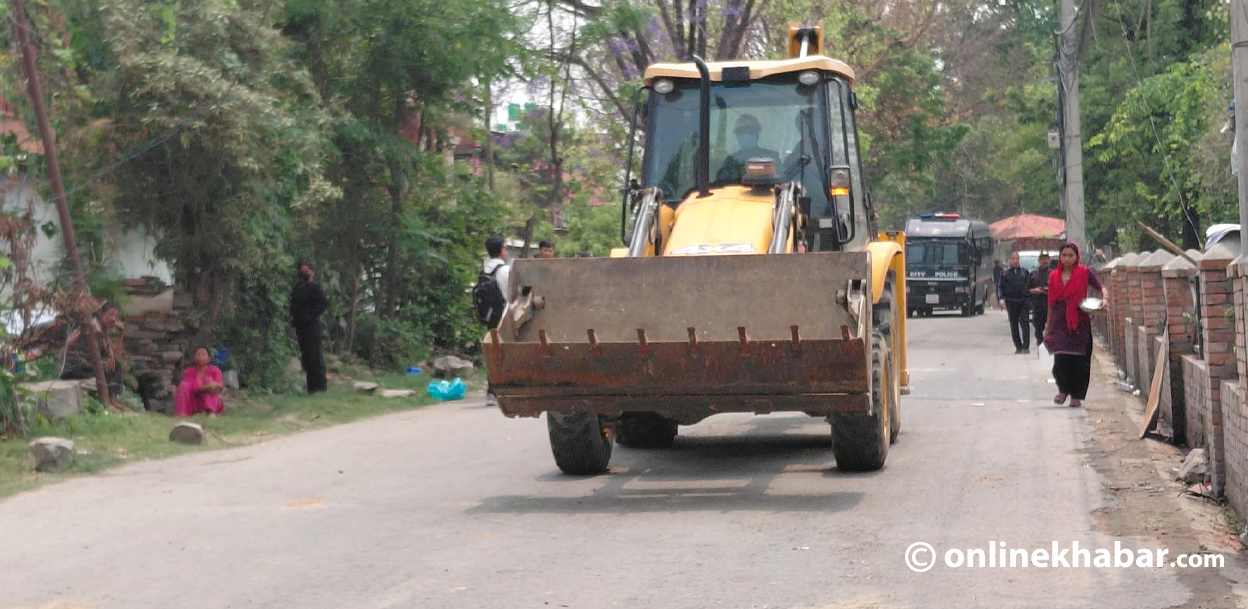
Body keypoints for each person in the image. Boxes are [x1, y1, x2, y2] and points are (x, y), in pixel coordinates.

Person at [1045, 243, 1109, 408]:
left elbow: (1101, 287)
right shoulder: (1053, 276)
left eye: (1070, 255)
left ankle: (1076, 396)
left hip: (1079, 320)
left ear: (1076, 257)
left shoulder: (1084, 272)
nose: (1067, 259)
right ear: (1060, 257)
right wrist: (1048, 324)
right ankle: (1063, 390)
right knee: (1060, 357)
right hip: (1060, 320)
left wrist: (1105, 300)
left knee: (1080, 359)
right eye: (1064, 255)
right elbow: (1051, 302)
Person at [290, 260, 330, 394]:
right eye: (301, 271)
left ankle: (320, 388)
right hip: (300, 327)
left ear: (312, 272)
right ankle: (311, 388)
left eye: (306, 271)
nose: (303, 274)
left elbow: (324, 303)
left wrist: (310, 314)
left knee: (315, 357)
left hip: (312, 326)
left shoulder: (315, 287)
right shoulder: (297, 287)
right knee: (306, 357)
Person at [482, 237, 511, 408]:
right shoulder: (504, 270)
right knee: (506, 352)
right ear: (501, 251)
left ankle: (491, 391)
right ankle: (504, 389)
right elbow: (512, 296)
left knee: (493, 351)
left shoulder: (485, 269)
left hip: (490, 317)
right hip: (504, 316)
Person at [716, 114, 781, 182]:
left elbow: (781, 181)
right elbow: (721, 182)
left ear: (757, 135)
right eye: (742, 132)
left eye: (750, 131)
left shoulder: (772, 158)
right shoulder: (731, 161)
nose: (746, 135)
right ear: (737, 136)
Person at [175, 347, 224, 417]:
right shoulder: (189, 371)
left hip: (212, 401)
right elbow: (192, 388)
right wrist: (207, 386)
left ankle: (211, 412)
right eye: (198, 354)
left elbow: (220, 386)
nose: (200, 357)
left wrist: (212, 385)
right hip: (195, 402)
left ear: (208, 359)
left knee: (209, 380)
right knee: (183, 385)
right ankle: (183, 414)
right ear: (194, 358)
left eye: (203, 355)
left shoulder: (215, 370)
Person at [997, 252, 1031, 354]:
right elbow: (1000, 287)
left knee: (1024, 323)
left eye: (1016, 259)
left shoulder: (1024, 272)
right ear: (1009, 260)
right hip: (1011, 302)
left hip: (1023, 301)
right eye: (1013, 259)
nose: (1015, 261)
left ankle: (1026, 346)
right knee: (1013, 324)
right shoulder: (1005, 273)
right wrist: (1001, 299)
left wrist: (1030, 298)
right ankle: (1018, 346)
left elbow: (1029, 286)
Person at [1028, 252, 1053, 346]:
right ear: (1039, 261)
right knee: (1038, 328)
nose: (1044, 261)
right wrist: (1034, 290)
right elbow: (1026, 289)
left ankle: (1049, 345)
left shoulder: (1054, 274)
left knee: (1051, 327)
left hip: (1051, 306)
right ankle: (1040, 343)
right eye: (1042, 259)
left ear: (1049, 260)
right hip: (1037, 306)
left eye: (1046, 259)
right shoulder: (1033, 274)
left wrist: (1049, 291)